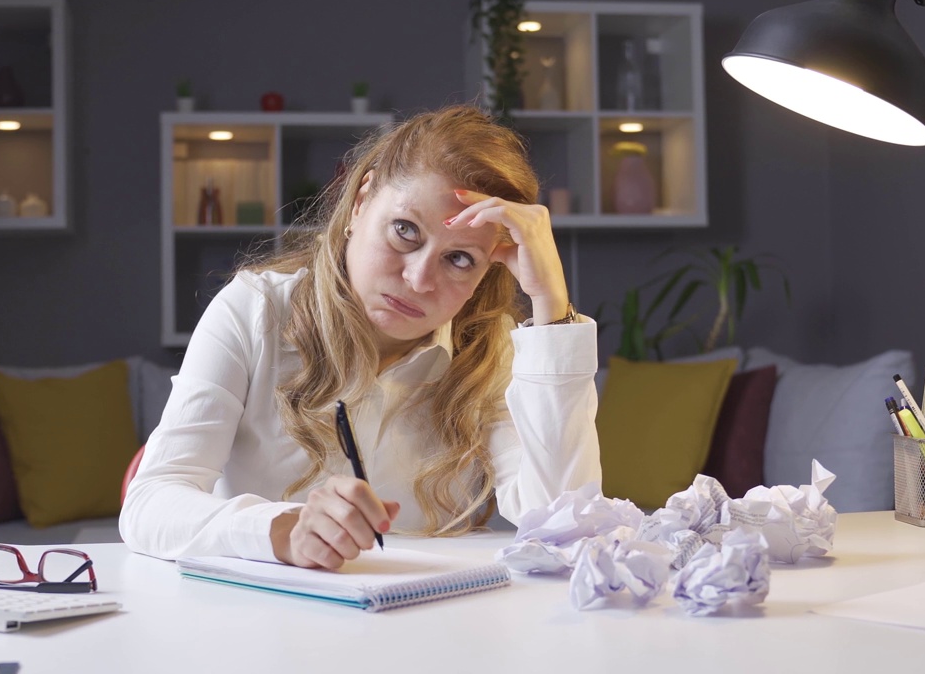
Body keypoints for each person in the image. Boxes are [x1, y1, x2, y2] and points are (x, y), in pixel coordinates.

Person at [120, 104, 601, 569]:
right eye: (404, 230)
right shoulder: (255, 310)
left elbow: (563, 524)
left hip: (433, 625)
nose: (419, 279)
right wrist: (282, 529)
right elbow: (150, 504)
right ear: (360, 201)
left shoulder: (488, 348)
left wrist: (551, 306)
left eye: (459, 259)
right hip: (265, 628)